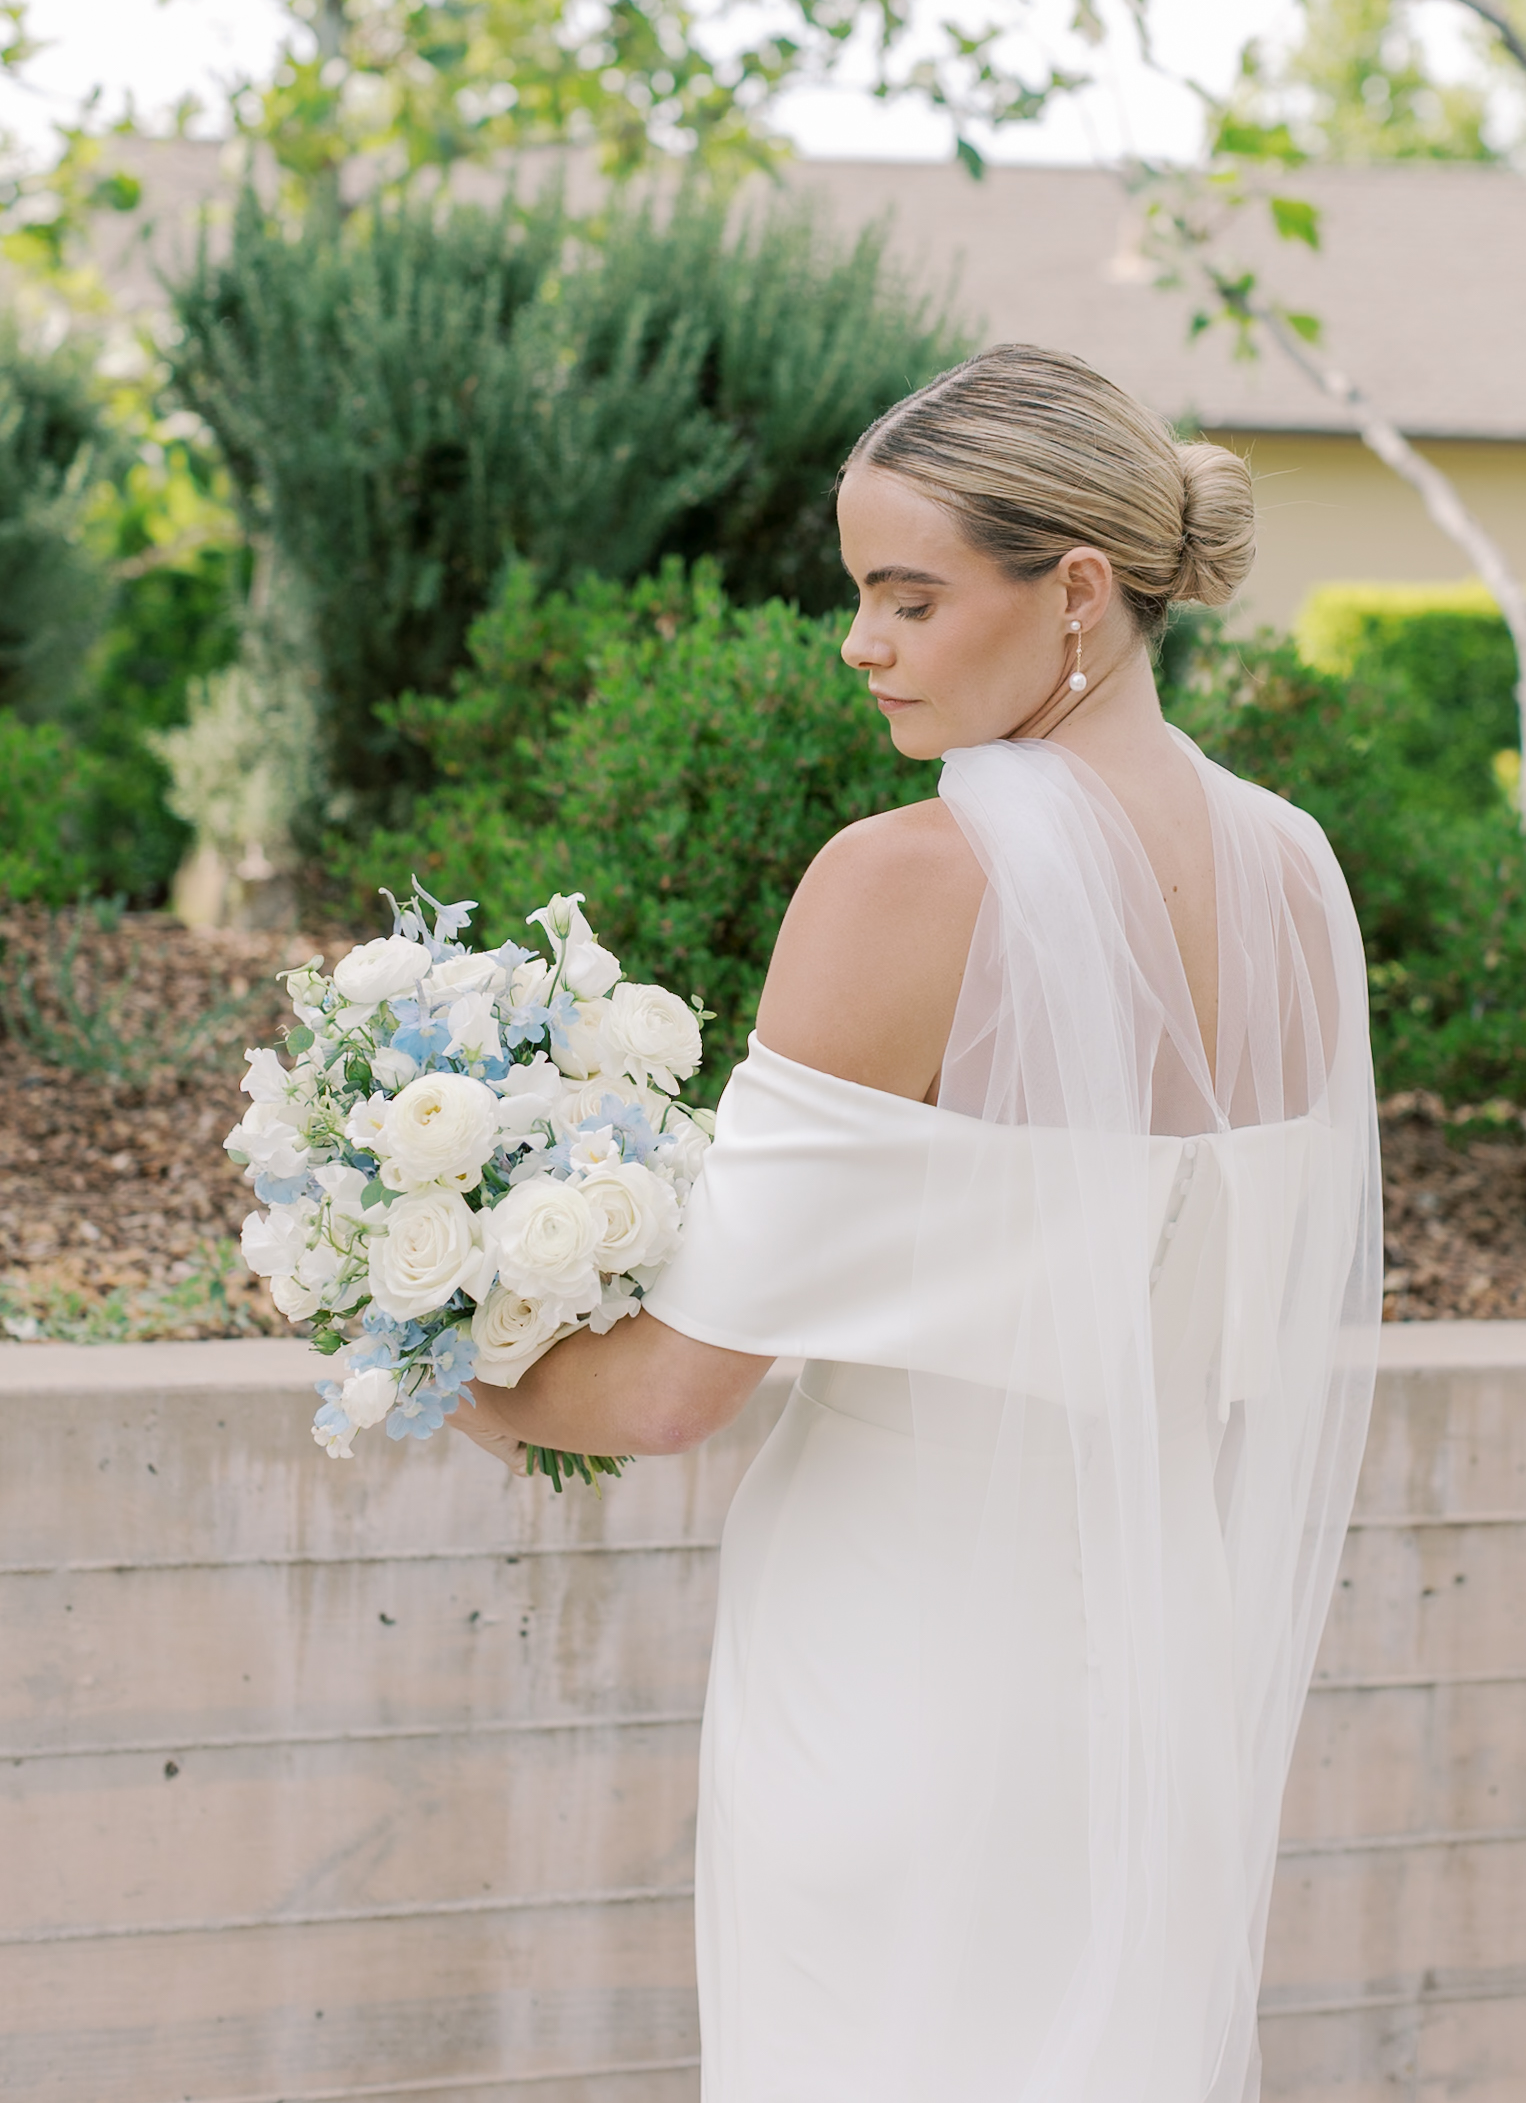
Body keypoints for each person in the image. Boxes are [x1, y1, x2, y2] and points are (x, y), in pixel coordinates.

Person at [453, 343, 1382, 2102]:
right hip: (1151, 1677)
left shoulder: (904, 879)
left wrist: (423, 1347)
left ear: (1081, 593)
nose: (859, 642)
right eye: (857, 594)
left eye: (908, 595)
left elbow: (668, 1392)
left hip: (900, 1667)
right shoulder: (1292, 875)